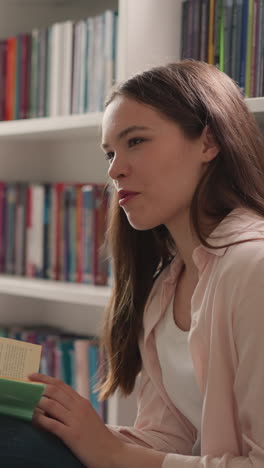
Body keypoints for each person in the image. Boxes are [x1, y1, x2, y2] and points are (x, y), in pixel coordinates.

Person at [2, 59, 264, 467]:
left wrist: (111, 452)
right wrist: (75, 424)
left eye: (136, 141)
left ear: (209, 143)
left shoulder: (254, 267)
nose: (114, 169)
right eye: (109, 152)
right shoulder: (167, 284)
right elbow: (164, 441)